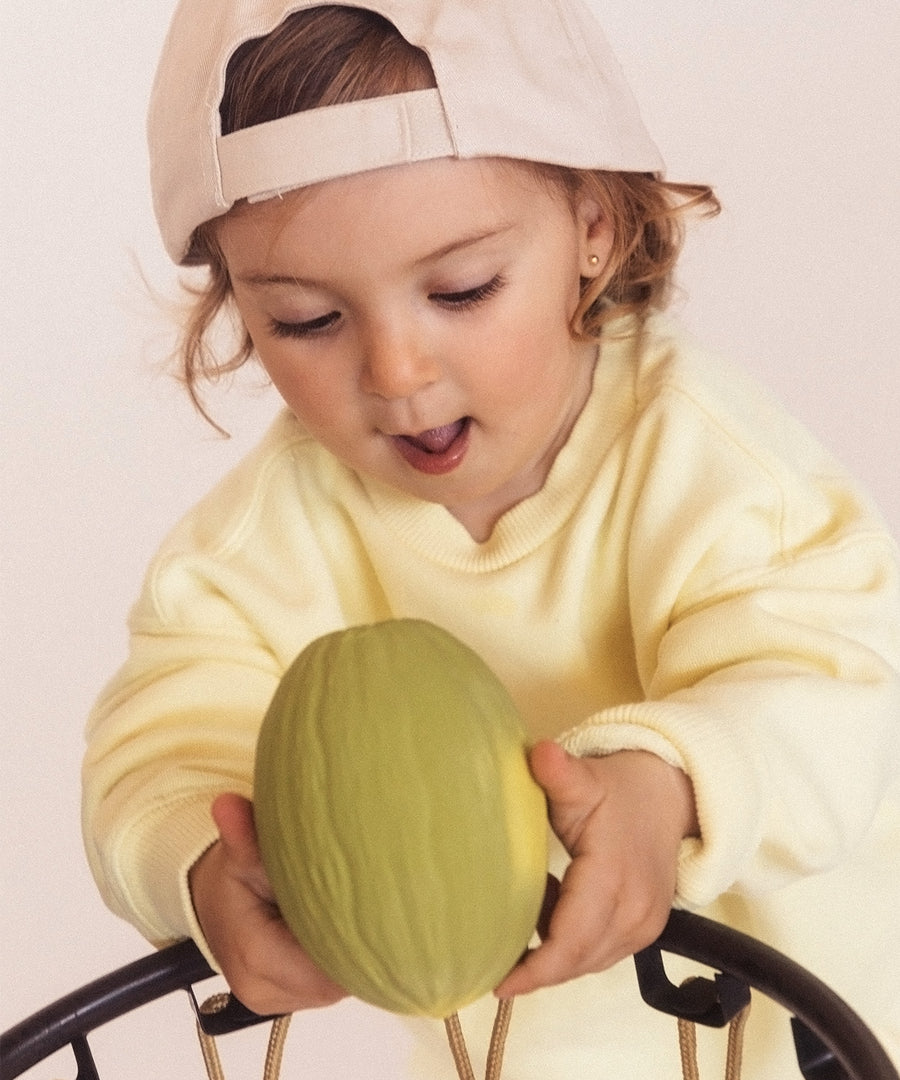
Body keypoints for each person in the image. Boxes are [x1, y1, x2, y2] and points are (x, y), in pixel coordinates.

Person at [82, 0, 900, 1074]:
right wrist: (196, 856)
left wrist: (668, 784)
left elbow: (830, 683)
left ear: (594, 227)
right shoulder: (262, 544)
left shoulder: (706, 467)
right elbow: (161, 740)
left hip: (806, 1030)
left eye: (461, 290)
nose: (396, 372)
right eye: (306, 320)